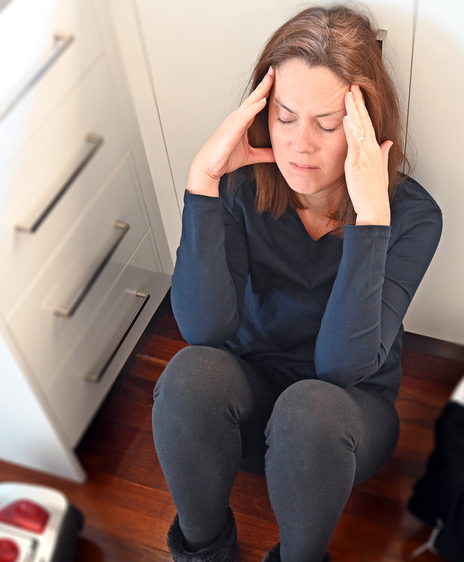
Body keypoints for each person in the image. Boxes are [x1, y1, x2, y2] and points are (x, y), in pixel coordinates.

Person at [151, 5, 442, 562]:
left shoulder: (413, 215)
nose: (300, 146)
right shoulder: (241, 187)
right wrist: (202, 184)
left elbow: (340, 367)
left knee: (311, 408)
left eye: (327, 125)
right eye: (285, 117)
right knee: (189, 373)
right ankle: (203, 550)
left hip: (341, 425)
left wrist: (371, 218)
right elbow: (203, 328)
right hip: (244, 409)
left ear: (364, 127)